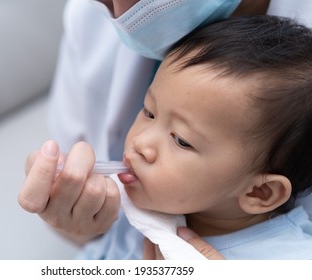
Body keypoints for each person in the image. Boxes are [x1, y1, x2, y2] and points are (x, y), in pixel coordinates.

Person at [20, 15, 312, 259]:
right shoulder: (142, 204)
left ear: (259, 193)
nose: (141, 143)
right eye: (148, 112)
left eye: (182, 141)